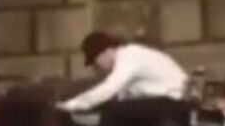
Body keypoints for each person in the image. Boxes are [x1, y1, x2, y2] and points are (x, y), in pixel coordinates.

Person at [59, 31, 189, 113]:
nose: (96, 67)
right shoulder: (130, 55)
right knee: (117, 108)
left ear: (105, 52)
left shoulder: (129, 57)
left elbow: (107, 90)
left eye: (95, 61)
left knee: (112, 112)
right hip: (170, 100)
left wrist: (71, 105)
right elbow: (123, 95)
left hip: (173, 101)